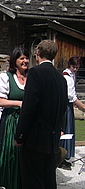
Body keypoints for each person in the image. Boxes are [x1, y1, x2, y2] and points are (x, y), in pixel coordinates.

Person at [14, 40, 68, 189]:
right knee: (49, 178)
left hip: (35, 137)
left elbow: (29, 107)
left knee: (32, 179)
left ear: (37, 53)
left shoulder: (35, 73)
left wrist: (20, 135)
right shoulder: (61, 79)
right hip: (52, 138)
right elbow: (63, 107)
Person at [0, 47, 29, 189]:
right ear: (15, 61)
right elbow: (0, 101)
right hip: (11, 122)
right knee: (12, 155)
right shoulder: (6, 77)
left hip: (28, 122)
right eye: (22, 58)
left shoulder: (31, 77)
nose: (25, 61)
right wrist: (19, 103)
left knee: (26, 156)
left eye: (26, 58)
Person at [60, 55, 85, 169]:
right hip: (65, 106)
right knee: (66, 130)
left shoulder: (71, 75)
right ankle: (62, 157)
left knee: (69, 130)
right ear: (69, 65)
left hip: (69, 105)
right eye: (73, 66)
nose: (75, 69)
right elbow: (72, 96)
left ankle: (66, 156)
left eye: (77, 67)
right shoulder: (66, 77)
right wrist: (83, 107)